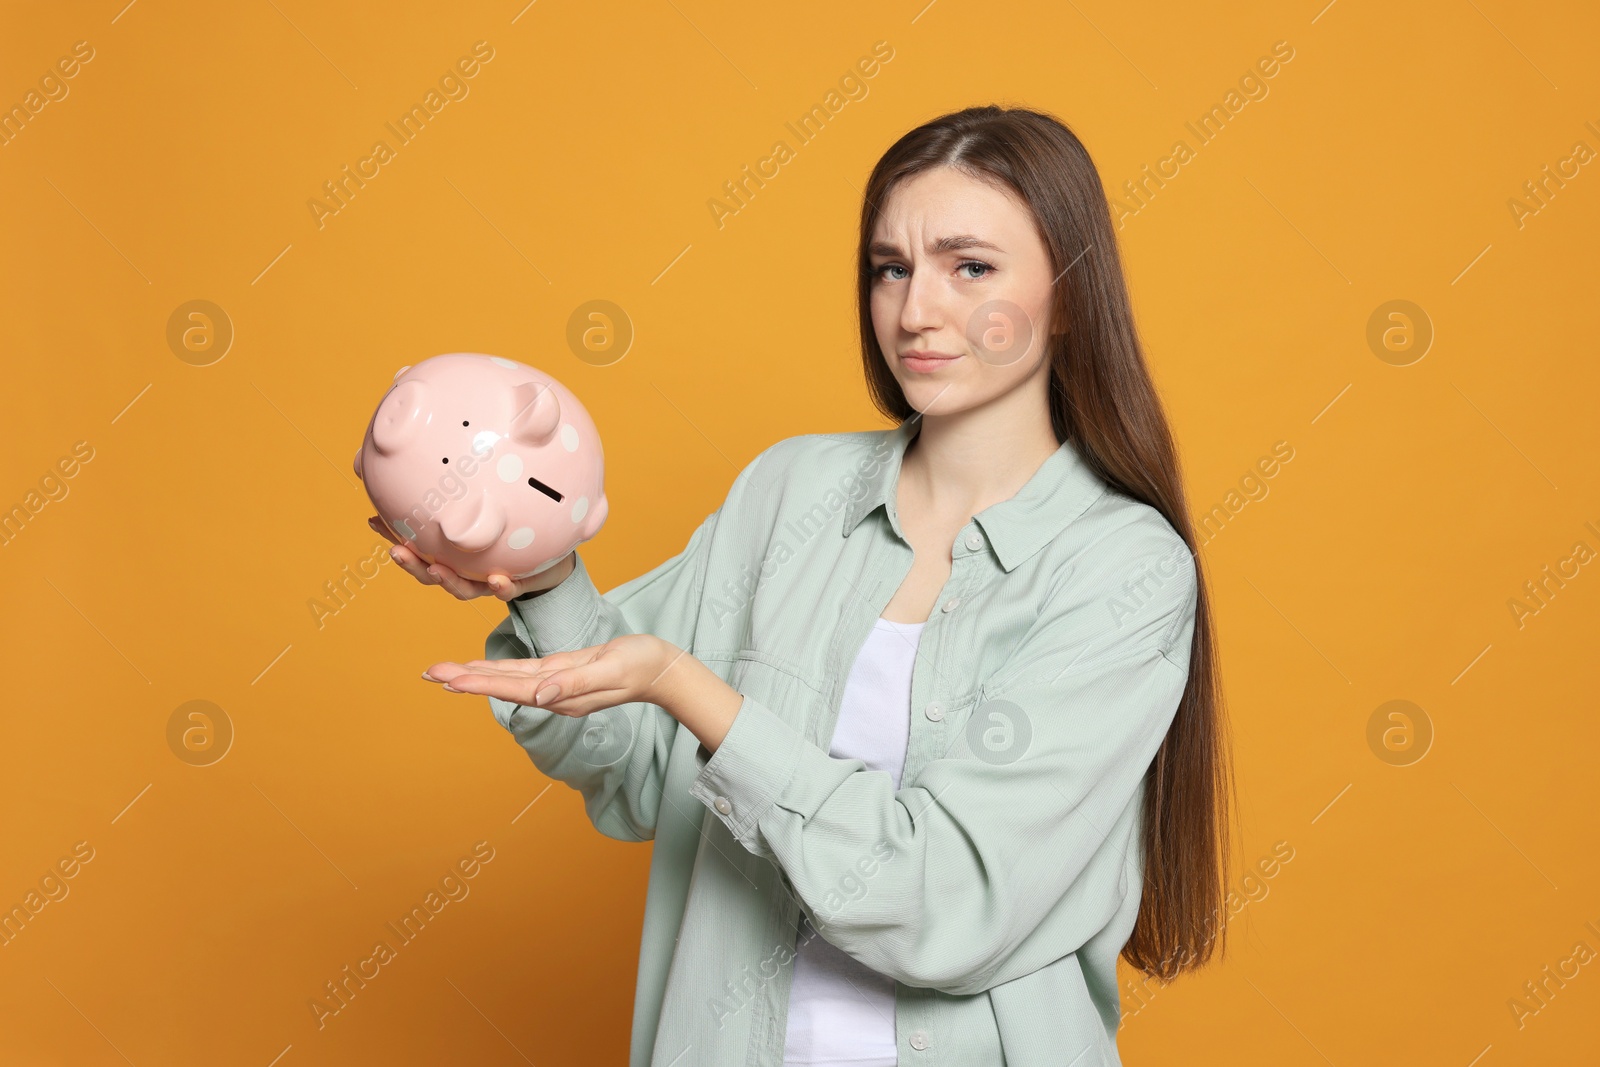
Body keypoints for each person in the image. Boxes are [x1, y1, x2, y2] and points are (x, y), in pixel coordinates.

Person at [380, 105, 1232, 1067]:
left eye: (971, 267)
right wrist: (540, 576)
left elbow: (939, 899)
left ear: (1070, 293)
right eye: (890, 267)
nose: (915, 310)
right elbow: (639, 773)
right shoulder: (792, 492)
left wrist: (686, 685)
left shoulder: (1123, 568)